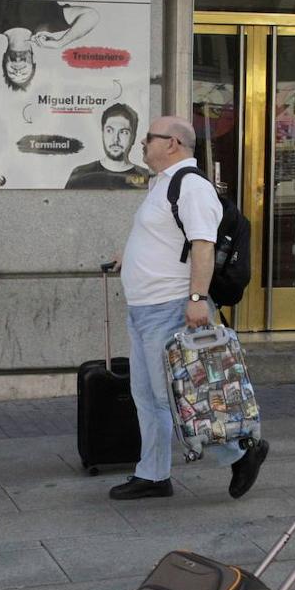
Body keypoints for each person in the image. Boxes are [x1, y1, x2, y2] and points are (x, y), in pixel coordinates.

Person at [108, 115, 268, 500]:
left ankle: (242, 452)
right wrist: (128, 258)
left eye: (150, 138)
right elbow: (164, 238)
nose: (143, 143)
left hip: (170, 308)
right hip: (144, 308)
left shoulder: (191, 186)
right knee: (146, 395)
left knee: (176, 397)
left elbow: (203, 245)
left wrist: (196, 299)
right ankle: (153, 474)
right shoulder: (161, 183)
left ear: (173, 144)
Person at [0, 0, 99, 92]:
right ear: (34, 59)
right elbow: (91, 15)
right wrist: (60, 43)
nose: (18, 71)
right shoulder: (48, 23)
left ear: (3, 59)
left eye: (12, 73)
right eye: (24, 73)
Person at [65, 103, 150, 189]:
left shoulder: (146, 178)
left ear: (133, 137)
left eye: (123, 132)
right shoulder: (80, 175)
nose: (115, 139)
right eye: (109, 130)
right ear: (103, 134)